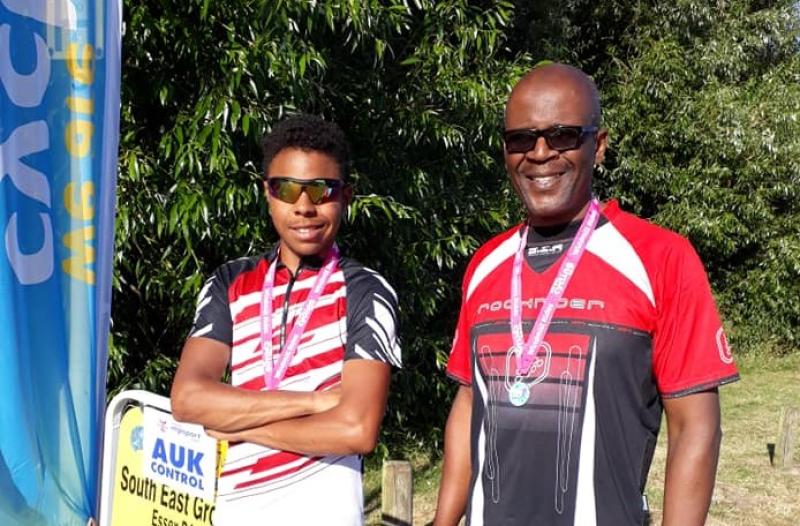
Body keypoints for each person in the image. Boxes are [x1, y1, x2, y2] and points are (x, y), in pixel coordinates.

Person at [433, 63, 739, 526]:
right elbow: (469, 403)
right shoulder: (485, 263)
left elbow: (695, 426)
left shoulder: (660, 258)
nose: (539, 154)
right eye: (521, 139)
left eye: (561, 136)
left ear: (597, 146)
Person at [171, 114, 401, 526]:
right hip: (236, 512)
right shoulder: (229, 282)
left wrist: (241, 426)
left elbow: (356, 429)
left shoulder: (368, 289)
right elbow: (188, 399)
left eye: (321, 190)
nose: (304, 207)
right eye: (287, 189)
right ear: (268, 193)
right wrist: (314, 402)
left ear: (345, 195)